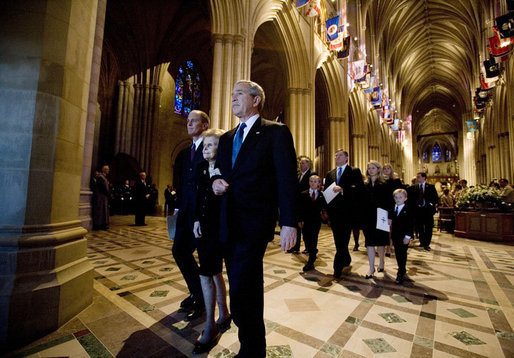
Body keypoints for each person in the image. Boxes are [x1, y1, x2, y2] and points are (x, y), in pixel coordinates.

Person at [212, 80, 297, 356]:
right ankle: (250, 344)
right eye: (232, 93)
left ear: (256, 99)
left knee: (245, 284)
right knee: (239, 287)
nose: (233, 98)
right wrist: (216, 181)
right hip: (228, 222)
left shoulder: (275, 133)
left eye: (239, 93)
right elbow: (220, 172)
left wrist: (288, 223)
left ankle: (252, 349)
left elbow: (286, 180)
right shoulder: (226, 138)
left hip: (255, 223)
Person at [191, 128, 230, 354]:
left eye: (210, 145)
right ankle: (210, 324)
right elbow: (197, 195)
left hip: (223, 229)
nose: (205, 148)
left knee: (216, 272)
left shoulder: (228, 168)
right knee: (207, 272)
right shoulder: (200, 168)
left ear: (220, 148)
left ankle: (224, 313)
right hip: (205, 229)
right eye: (204, 145)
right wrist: (196, 219)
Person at [172, 110, 210, 321]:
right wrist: (178, 206)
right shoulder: (187, 152)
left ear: (205, 125)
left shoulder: (210, 147)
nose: (189, 124)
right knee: (179, 251)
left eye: (194, 121)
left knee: (204, 259)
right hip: (185, 211)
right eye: (188, 121)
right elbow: (182, 183)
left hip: (201, 213)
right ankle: (196, 292)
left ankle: (203, 299)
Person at [323, 149, 364, 278]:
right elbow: (327, 194)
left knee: (344, 239)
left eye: (340, 155)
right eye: (336, 156)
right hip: (334, 213)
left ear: (346, 158)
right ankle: (346, 258)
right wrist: (326, 212)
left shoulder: (354, 172)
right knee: (338, 240)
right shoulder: (330, 174)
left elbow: (359, 190)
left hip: (348, 212)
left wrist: (343, 190)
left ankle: (337, 267)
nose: (337, 157)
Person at [362, 161, 390, 279]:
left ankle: (382, 261)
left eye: (373, 168)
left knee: (380, 242)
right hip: (368, 216)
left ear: (378, 170)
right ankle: (371, 267)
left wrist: (389, 217)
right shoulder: (364, 185)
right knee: (369, 242)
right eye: (369, 168)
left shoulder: (384, 184)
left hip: (381, 215)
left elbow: (389, 202)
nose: (371, 170)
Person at [288, 156, 315, 254]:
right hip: (297, 205)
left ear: (308, 164)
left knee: (306, 228)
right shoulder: (299, 175)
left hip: (306, 205)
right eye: (300, 163)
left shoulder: (312, 174)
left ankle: (309, 247)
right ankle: (295, 246)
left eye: (303, 163)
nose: (301, 165)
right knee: (296, 226)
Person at [298, 175, 325, 272]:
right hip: (306, 221)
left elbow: (324, 207)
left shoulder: (322, 195)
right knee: (306, 238)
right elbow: (299, 208)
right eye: (311, 181)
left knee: (314, 239)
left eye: (315, 181)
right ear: (309, 182)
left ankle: (311, 261)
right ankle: (312, 250)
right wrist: (299, 220)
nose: (313, 183)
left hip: (316, 222)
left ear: (319, 183)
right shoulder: (303, 194)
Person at [389, 188, 414, 285]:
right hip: (395, 236)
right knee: (398, 253)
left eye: (400, 197)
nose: (398, 199)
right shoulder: (393, 209)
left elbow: (410, 224)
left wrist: (407, 237)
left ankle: (401, 271)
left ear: (405, 198)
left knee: (402, 253)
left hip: (404, 236)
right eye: (396, 197)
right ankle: (401, 268)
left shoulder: (408, 210)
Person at [409, 172, 438, 251]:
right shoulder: (414, 187)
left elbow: (435, 198)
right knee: (420, 227)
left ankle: (427, 244)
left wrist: (430, 204)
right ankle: (422, 242)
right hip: (418, 211)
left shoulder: (431, 187)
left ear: (424, 178)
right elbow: (410, 199)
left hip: (428, 210)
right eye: (417, 176)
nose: (417, 178)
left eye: (419, 177)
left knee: (428, 227)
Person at [383, 163, 404, 257]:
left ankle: (389, 248)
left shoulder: (396, 181)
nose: (386, 170)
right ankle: (385, 246)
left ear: (391, 170)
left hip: (392, 207)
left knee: (391, 229)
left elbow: (400, 194)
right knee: (384, 229)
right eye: (385, 168)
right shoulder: (381, 181)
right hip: (383, 207)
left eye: (388, 168)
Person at [93, 165, 111, 230]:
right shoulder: (101, 177)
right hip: (101, 197)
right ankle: (99, 224)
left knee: (104, 211)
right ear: (104, 170)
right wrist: (108, 194)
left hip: (104, 197)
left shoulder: (104, 177)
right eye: (107, 169)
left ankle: (103, 224)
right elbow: (103, 188)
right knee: (101, 211)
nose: (108, 170)